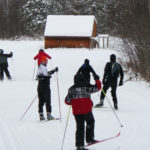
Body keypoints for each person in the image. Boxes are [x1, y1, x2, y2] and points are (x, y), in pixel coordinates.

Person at [65, 73, 101, 150]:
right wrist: (97, 79)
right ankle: (90, 139)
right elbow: (98, 88)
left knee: (79, 127)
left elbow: (67, 101)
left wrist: (72, 102)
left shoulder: (71, 89)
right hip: (86, 110)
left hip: (77, 112)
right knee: (90, 121)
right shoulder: (87, 86)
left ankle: (79, 146)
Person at [37, 56, 58, 120]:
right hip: (45, 87)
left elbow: (43, 75)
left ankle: (41, 114)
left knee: (41, 101)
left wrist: (53, 71)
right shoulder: (43, 67)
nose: (46, 62)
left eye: (47, 61)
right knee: (47, 100)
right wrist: (49, 75)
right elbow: (46, 75)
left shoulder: (40, 67)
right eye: (45, 61)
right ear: (42, 61)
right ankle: (48, 115)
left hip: (40, 86)